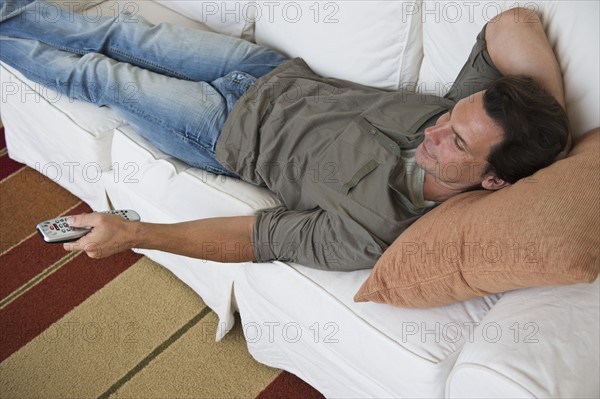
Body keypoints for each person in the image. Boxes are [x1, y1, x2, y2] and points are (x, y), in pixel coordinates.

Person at [0, 1, 569, 269]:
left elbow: (252, 239)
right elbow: (512, 22)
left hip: (222, 130)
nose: (436, 130)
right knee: (119, 28)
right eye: (449, 118)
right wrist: (554, 151)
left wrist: (135, 232)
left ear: (494, 180)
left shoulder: (372, 230)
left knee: (97, 75)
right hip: (267, 71)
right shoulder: (467, 118)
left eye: (456, 144)